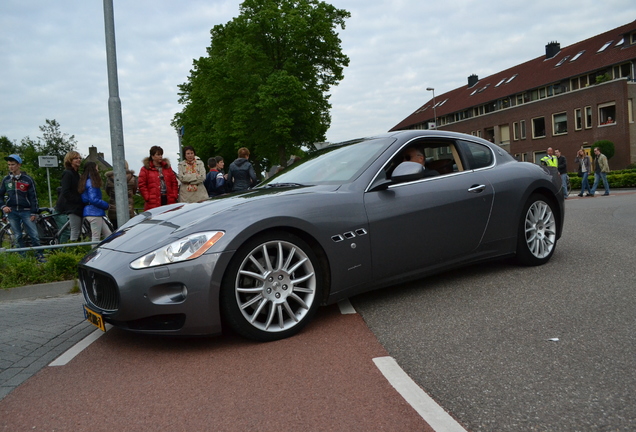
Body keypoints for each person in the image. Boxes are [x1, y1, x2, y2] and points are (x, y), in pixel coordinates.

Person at [0, 154, 44, 260]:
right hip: (12, 211)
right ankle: (22, 258)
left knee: (34, 235)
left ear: (19, 165)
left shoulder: (27, 179)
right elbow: (0, 196)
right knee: (17, 236)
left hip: (27, 211)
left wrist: (34, 212)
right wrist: (3, 206)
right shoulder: (6, 180)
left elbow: (33, 197)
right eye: (9, 165)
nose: (11, 167)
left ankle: (39, 255)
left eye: (13, 164)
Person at [55, 151, 84, 242]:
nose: (78, 160)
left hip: (77, 206)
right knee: (72, 231)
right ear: (70, 160)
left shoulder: (77, 174)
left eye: (79, 158)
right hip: (69, 207)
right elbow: (65, 192)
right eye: (75, 158)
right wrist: (79, 200)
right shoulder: (68, 173)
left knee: (77, 230)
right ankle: (69, 250)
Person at [78, 162, 111, 243]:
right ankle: (94, 255)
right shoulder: (92, 183)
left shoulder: (85, 181)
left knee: (109, 235)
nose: (98, 170)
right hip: (94, 212)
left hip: (89, 211)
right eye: (97, 168)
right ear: (93, 170)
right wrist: (106, 205)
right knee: (96, 238)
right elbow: (94, 199)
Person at [138, 146, 178, 211]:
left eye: (161, 154)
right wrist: (147, 197)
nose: (160, 156)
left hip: (168, 198)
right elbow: (142, 184)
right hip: (153, 200)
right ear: (152, 156)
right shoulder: (145, 169)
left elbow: (174, 182)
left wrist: (174, 195)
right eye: (158, 154)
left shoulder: (167, 167)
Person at [105, 161, 138, 229]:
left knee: (116, 230)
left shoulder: (109, 178)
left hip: (114, 209)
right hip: (128, 208)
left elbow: (107, 191)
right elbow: (134, 191)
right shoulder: (132, 178)